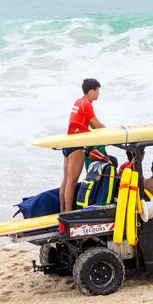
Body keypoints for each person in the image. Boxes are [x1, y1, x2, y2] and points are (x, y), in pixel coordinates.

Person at [60, 78, 105, 213]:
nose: (98, 94)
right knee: (72, 182)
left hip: (68, 143)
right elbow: (96, 124)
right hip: (76, 145)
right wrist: (111, 132)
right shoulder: (87, 104)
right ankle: (67, 213)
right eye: (97, 91)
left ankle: (62, 210)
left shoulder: (78, 102)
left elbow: (91, 125)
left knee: (66, 180)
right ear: (91, 91)